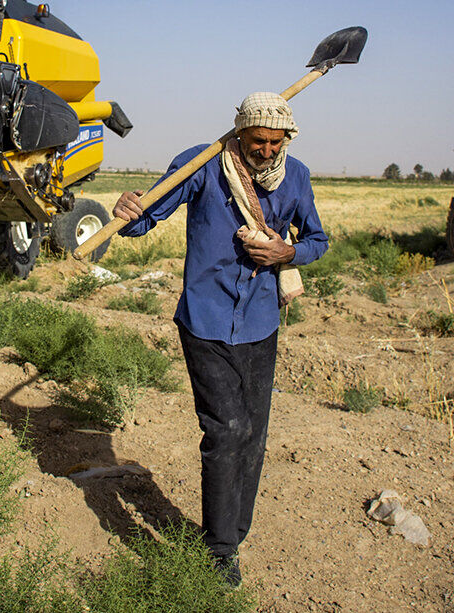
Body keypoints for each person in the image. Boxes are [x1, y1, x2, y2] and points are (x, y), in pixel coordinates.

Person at [113, 92, 329, 587]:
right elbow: (146, 217)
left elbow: (317, 240)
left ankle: (235, 531)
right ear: (239, 134)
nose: (268, 151)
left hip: (260, 323)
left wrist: (285, 252)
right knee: (228, 429)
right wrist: (130, 209)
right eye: (259, 141)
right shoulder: (204, 162)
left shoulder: (295, 176)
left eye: (277, 143)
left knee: (253, 435)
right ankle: (220, 549)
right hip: (206, 321)